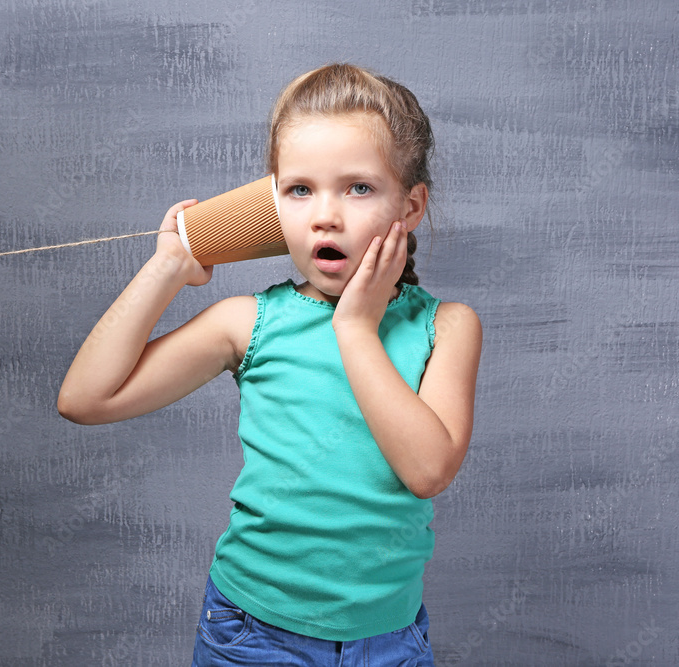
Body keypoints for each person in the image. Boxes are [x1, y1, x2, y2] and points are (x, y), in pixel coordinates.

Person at [58, 63, 482, 666]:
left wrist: (356, 328)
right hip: (252, 634)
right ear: (274, 202)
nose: (325, 215)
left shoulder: (446, 327)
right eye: (300, 190)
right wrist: (169, 266)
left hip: (387, 642)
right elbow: (85, 400)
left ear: (410, 206)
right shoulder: (248, 323)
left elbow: (428, 470)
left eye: (358, 188)